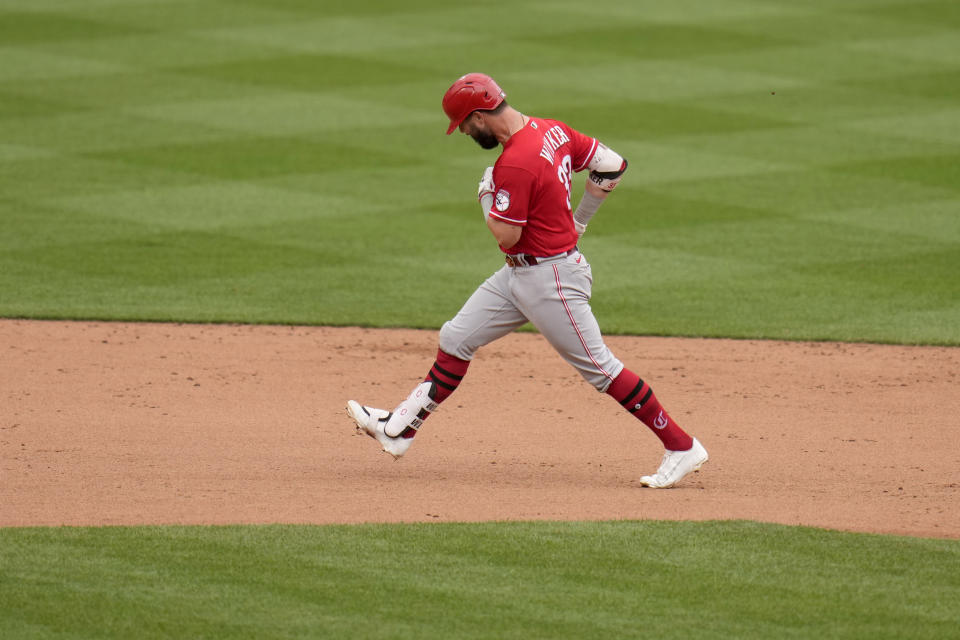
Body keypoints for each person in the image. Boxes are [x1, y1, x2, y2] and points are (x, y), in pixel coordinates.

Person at [347, 73, 708, 488]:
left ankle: (681, 446)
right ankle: (400, 429)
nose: (464, 131)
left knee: (601, 369)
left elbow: (506, 234)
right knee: (457, 338)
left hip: (550, 280)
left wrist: (485, 195)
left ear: (480, 115)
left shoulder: (514, 162)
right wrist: (580, 221)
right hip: (522, 275)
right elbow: (612, 166)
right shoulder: (552, 130)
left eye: (464, 124)